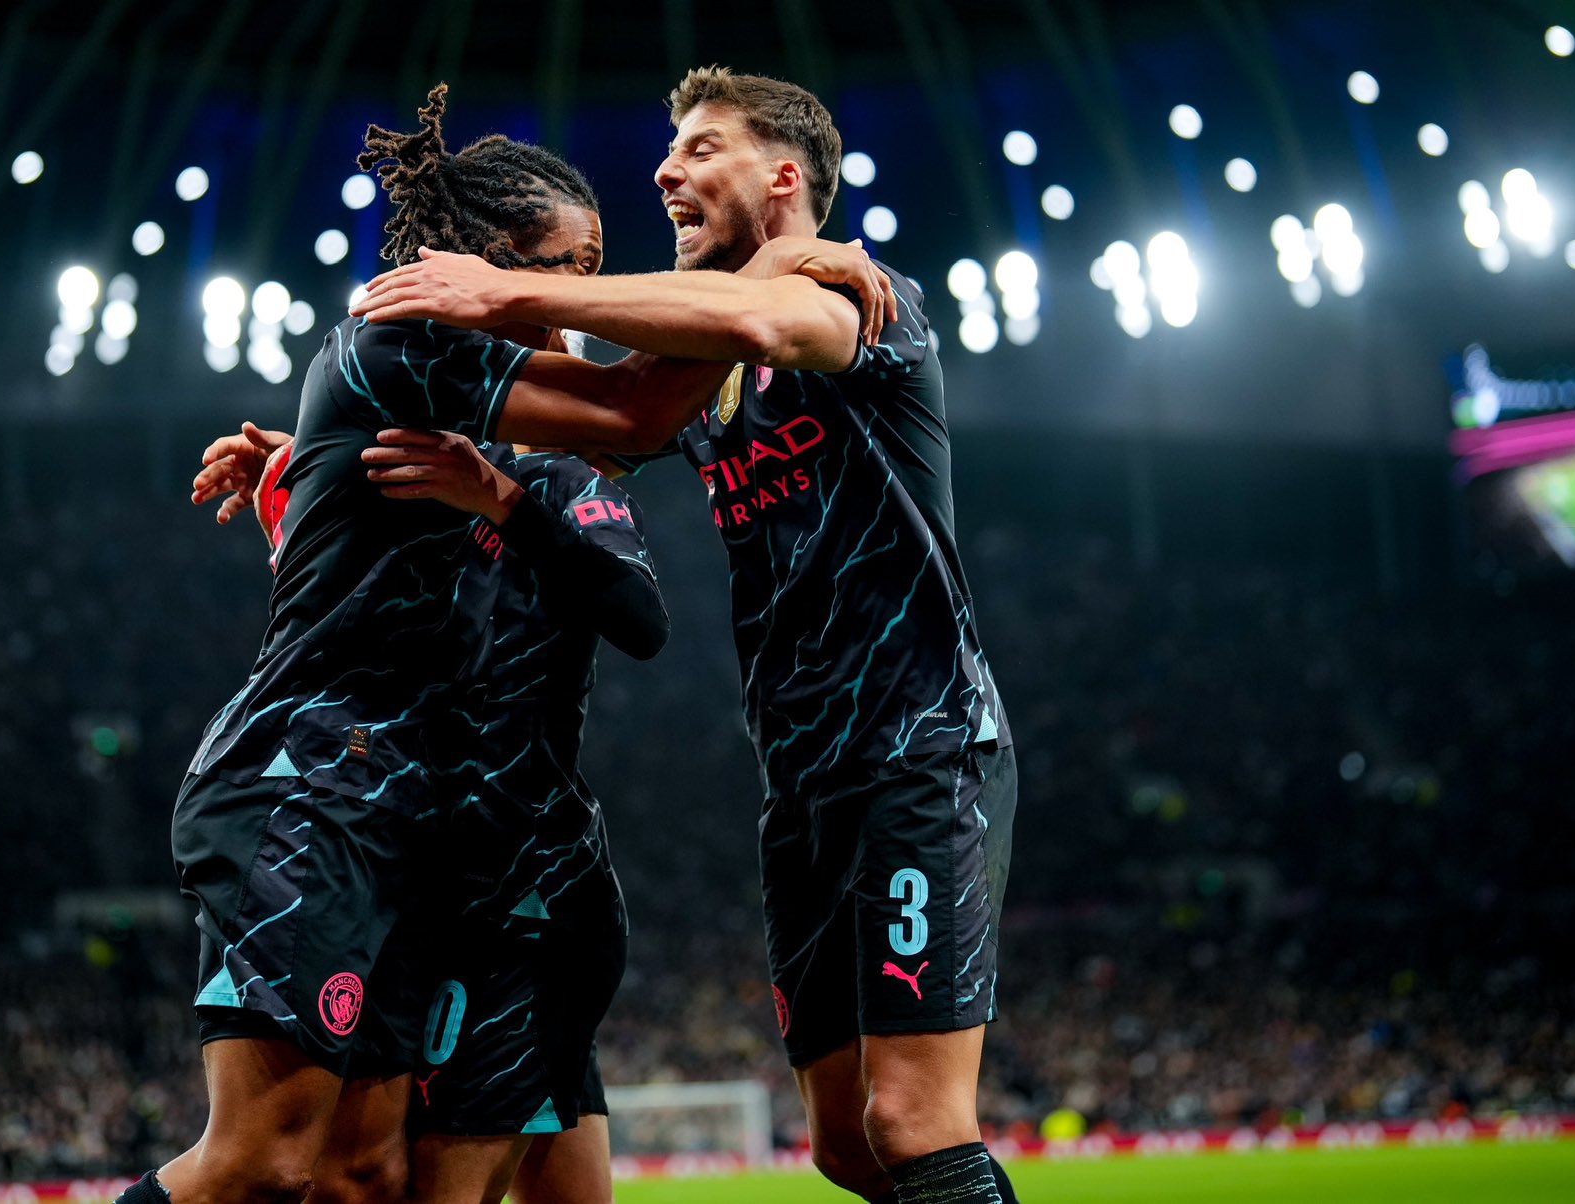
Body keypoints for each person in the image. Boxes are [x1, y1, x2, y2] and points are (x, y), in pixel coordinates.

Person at [131, 83, 815, 1204]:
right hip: (311, 793)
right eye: (555, 271)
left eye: (588, 274)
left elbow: (597, 586)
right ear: (474, 267)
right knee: (260, 1164)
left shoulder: (496, 441)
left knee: (360, 1175)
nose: (565, 307)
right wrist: (760, 276)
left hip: (422, 831)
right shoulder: (400, 343)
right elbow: (637, 413)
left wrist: (298, 481)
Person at [349, 67, 1020, 1204]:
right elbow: (606, 417)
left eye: (702, 148)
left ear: (784, 176)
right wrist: (317, 452)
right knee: (844, 1144)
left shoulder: (854, 299)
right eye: (671, 150)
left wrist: (505, 288)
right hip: (800, 781)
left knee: (911, 1122)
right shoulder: (707, 378)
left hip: (917, 749)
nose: (666, 169)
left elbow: (762, 317)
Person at [249, 429, 657, 1203]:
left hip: (524, 897)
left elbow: (642, 619)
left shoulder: (557, 480)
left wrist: (502, 501)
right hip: (423, 889)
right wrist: (300, 481)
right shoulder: (408, 486)